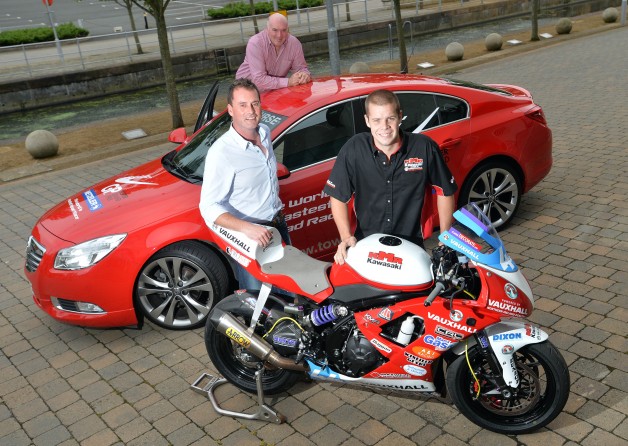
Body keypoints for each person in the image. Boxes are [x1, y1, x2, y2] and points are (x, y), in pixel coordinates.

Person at [323, 89, 457, 265]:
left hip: (412, 247)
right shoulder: (353, 149)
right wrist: (346, 236)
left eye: (390, 119)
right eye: (377, 120)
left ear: (400, 117)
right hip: (365, 247)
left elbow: (445, 191)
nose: (384, 127)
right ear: (367, 121)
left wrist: (445, 236)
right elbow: (338, 196)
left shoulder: (424, 147)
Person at [199, 78, 290, 290]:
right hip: (251, 237)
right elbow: (208, 207)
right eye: (242, 105)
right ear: (230, 110)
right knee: (257, 301)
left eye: (255, 103)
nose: (250, 111)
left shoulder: (265, 132)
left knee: (287, 291)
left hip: (279, 225)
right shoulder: (221, 153)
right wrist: (249, 229)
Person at [235, 12, 311, 92]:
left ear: (288, 29)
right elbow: (258, 80)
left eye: (283, 30)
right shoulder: (255, 43)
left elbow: (301, 69)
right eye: (275, 30)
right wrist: (288, 82)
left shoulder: (294, 43)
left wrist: (304, 75)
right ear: (267, 29)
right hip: (246, 90)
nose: (279, 35)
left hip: (274, 91)